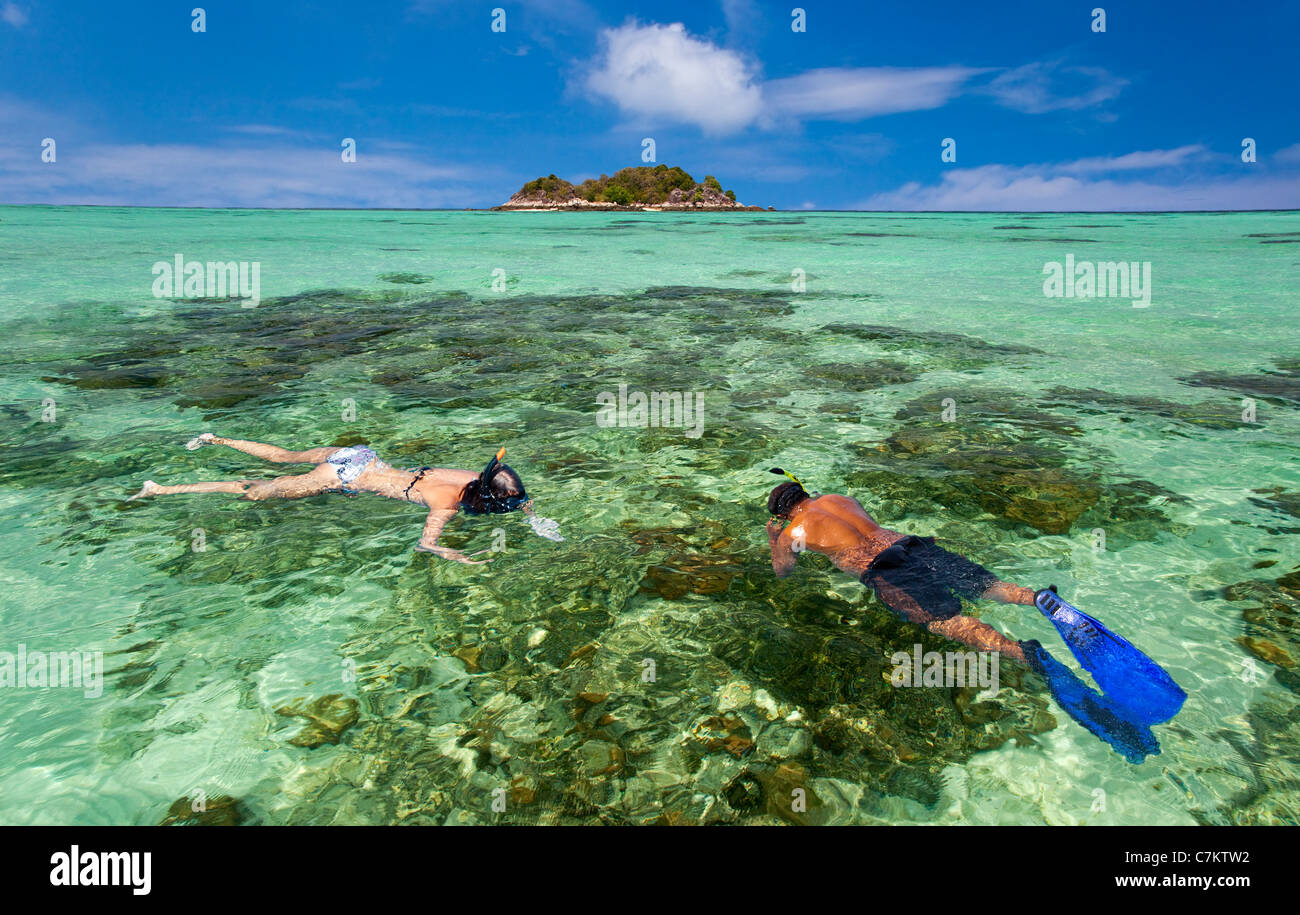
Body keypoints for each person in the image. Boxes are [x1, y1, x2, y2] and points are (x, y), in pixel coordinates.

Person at [128, 434, 531, 564]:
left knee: (283, 459)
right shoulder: (444, 507)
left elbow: (511, 495)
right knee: (252, 493)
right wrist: (449, 554)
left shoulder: (468, 477)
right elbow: (425, 542)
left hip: (359, 456)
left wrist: (530, 513)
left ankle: (213, 438)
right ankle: (160, 489)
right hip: (341, 476)